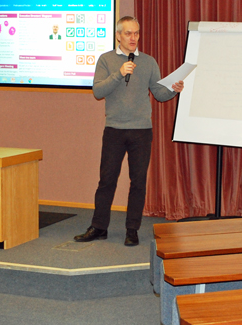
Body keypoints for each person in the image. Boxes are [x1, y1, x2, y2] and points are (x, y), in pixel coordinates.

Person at [74, 16, 184, 246]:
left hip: (142, 130)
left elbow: (159, 93)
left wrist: (173, 90)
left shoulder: (149, 62)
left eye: (136, 33)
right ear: (118, 36)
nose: (133, 38)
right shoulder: (106, 60)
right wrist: (119, 72)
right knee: (107, 180)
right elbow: (98, 91)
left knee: (138, 181)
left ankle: (132, 229)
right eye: (128, 33)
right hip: (114, 129)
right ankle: (99, 226)